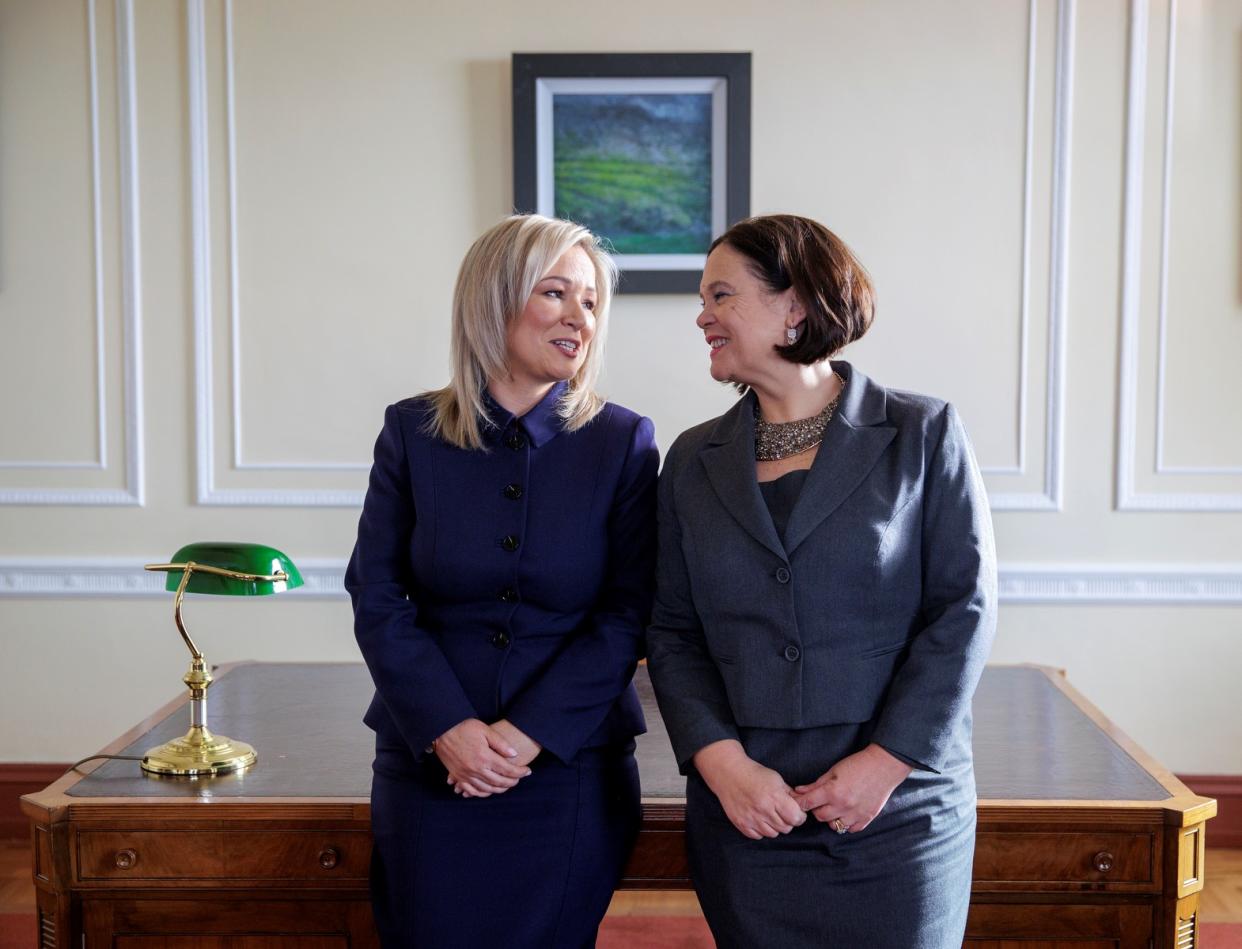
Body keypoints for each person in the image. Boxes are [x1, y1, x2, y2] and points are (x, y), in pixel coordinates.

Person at [647, 213, 997, 948]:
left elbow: (962, 611)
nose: (702, 316)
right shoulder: (688, 460)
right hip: (746, 811)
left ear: (795, 305)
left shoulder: (922, 433)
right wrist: (723, 764)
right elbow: (673, 632)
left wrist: (886, 763)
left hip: (896, 811)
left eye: (721, 295)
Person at [345, 214, 658, 948]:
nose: (579, 317)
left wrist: (527, 736)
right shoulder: (410, 432)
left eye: (590, 301)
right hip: (429, 761)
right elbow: (377, 594)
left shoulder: (624, 441)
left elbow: (628, 613)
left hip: (567, 769)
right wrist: (449, 729)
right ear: (495, 299)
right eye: (556, 293)